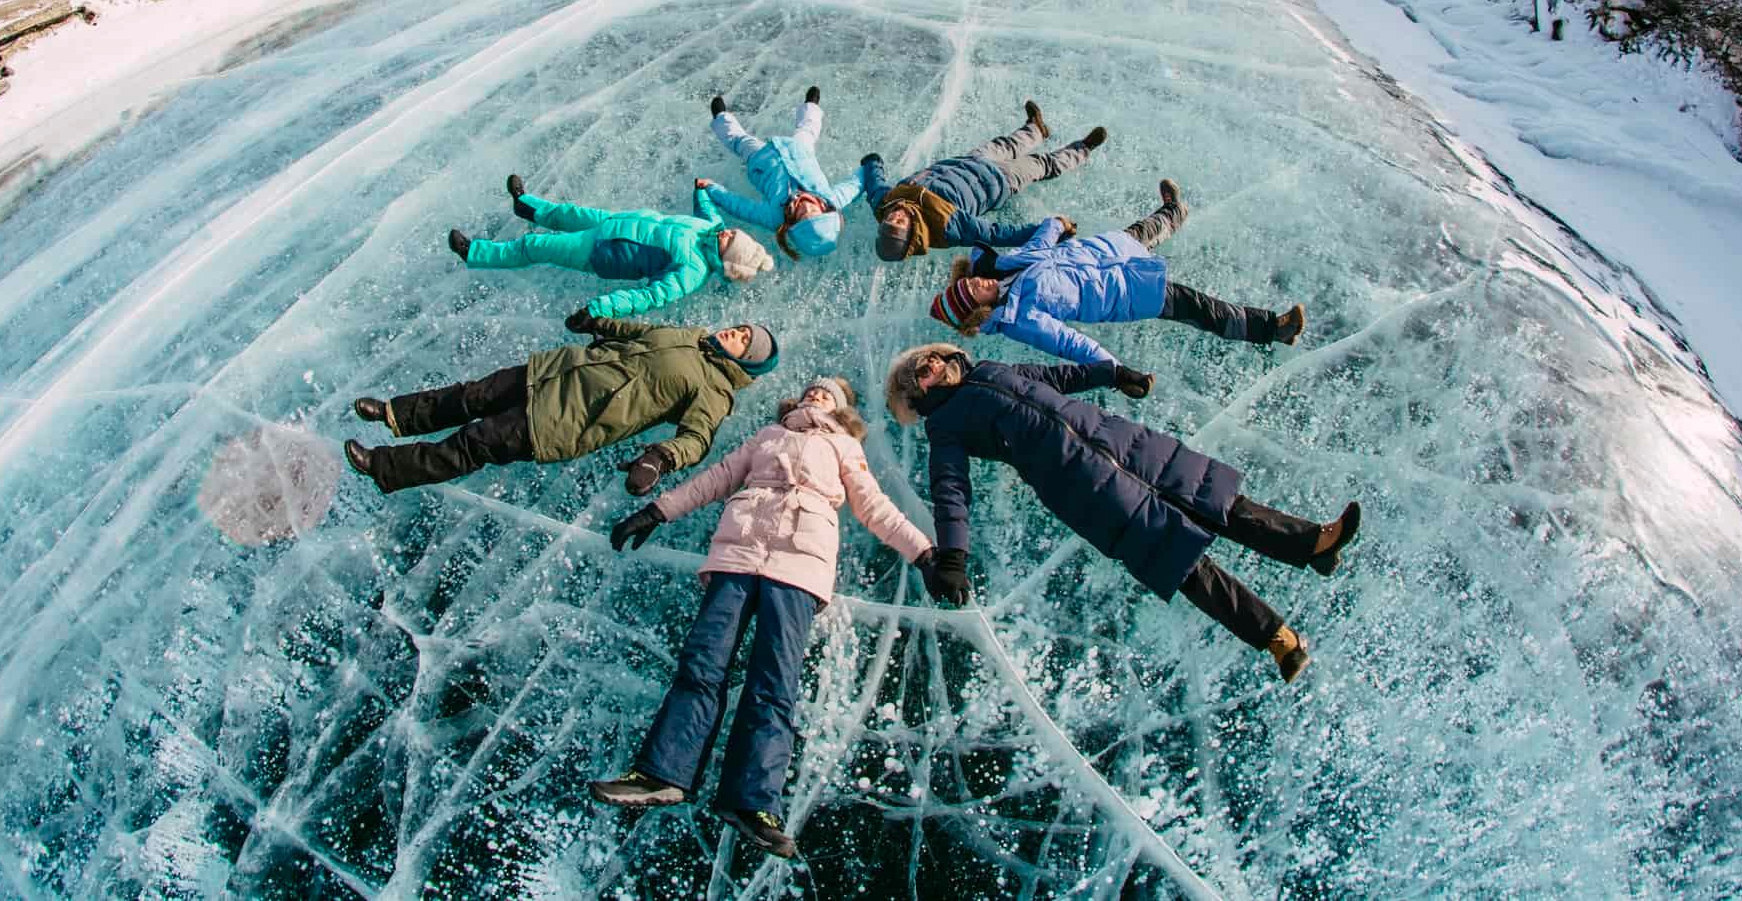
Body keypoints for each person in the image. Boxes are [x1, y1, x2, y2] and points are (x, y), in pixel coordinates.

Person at [590, 377, 931, 858]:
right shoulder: (768, 436)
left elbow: (874, 508)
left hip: (798, 565)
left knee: (773, 683)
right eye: (813, 389)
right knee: (701, 666)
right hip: (736, 556)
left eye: (827, 393)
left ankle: (751, 803)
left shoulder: (842, 446)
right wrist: (656, 511)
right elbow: (715, 479)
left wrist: (925, 554)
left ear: (841, 408)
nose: (817, 394)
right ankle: (661, 774)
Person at [884, 343, 1360, 683]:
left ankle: (1311, 543)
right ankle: (1279, 640)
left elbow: (1059, 377)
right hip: (1084, 487)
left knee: (1219, 501)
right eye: (921, 370)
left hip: (1126, 445)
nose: (933, 363)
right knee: (1185, 564)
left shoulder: (992, 368)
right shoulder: (945, 427)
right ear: (919, 391)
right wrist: (953, 557)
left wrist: (1112, 373)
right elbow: (951, 489)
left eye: (932, 357)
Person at [343, 317, 779, 497]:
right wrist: (598, 323)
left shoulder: (716, 392)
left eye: (744, 341)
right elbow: (639, 332)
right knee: (471, 395)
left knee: (471, 444)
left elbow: (697, 440)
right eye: (740, 329)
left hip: (564, 421)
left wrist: (660, 459)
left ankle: (383, 465)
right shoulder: (692, 336)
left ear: (746, 361)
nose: (735, 334)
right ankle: (396, 414)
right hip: (554, 372)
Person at [928, 179, 1307, 365]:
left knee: (1143, 232)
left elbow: (1038, 248)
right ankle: (1275, 328)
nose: (976, 281)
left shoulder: (1008, 270)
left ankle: (1175, 210)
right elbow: (1067, 343)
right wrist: (1111, 369)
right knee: (1201, 307)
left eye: (969, 281)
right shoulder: (1020, 317)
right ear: (978, 309)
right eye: (971, 290)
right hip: (1124, 292)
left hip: (1105, 255)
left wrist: (1056, 223)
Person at [452, 177, 774, 320]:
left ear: (726, 258)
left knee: (535, 245)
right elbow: (706, 208)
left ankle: (475, 253)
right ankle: (525, 205)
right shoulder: (710, 227)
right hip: (612, 221)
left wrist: (603, 308)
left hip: (600, 250)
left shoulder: (693, 272)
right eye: (735, 232)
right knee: (564, 213)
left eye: (731, 239)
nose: (729, 232)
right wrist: (702, 190)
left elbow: (648, 297)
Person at [861, 100, 1107, 262]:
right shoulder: (947, 227)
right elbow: (996, 234)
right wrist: (1051, 231)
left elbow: (875, 185)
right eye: (899, 224)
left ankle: (1036, 129)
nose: (896, 216)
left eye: (890, 222)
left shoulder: (885, 203)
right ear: (910, 233)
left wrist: (871, 162)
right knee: (1043, 164)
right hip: (1001, 181)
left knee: (1008, 144)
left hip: (970, 161)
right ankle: (1083, 149)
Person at [700, 87, 862, 260]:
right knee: (807, 130)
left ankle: (721, 117)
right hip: (799, 151)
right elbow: (855, 185)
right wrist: (870, 167)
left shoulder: (776, 217)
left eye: (801, 216)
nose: (805, 206)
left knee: (740, 141)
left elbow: (741, 207)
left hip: (762, 161)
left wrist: (712, 189)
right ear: (825, 210)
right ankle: (811, 105)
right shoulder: (832, 199)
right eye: (813, 212)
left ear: (792, 223)